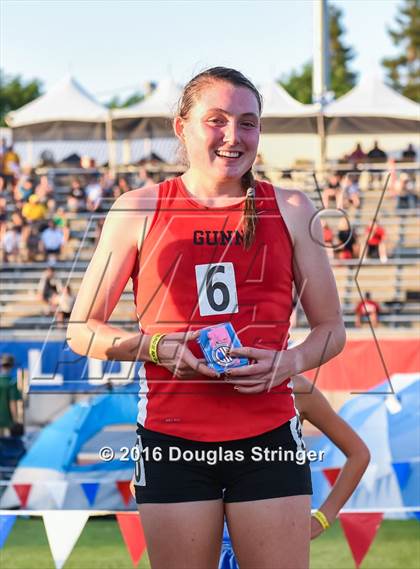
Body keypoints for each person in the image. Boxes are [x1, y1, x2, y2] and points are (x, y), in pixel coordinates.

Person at [68, 67, 345, 569]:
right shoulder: (137, 210)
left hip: (269, 441)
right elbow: (81, 330)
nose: (233, 137)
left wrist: (290, 360)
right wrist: (154, 348)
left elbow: (332, 330)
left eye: (248, 122)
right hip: (172, 443)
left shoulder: (293, 208)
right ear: (182, 127)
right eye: (216, 120)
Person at [0, 354, 22, 437]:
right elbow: (12, 403)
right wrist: (15, 420)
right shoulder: (12, 382)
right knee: (7, 445)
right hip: (7, 421)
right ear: (11, 366)